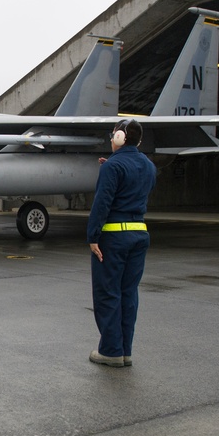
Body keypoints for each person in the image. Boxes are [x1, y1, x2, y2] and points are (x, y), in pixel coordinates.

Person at [87, 118, 157, 368]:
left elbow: (102, 204)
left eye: (113, 134)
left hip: (113, 239)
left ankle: (110, 351)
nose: (110, 138)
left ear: (119, 137)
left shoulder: (112, 167)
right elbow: (138, 187)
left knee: (108, 294)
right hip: (139, 236)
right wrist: (113, 168)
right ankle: (125, 351)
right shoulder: (148, 165)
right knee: (129, 294)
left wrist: (93, 236)